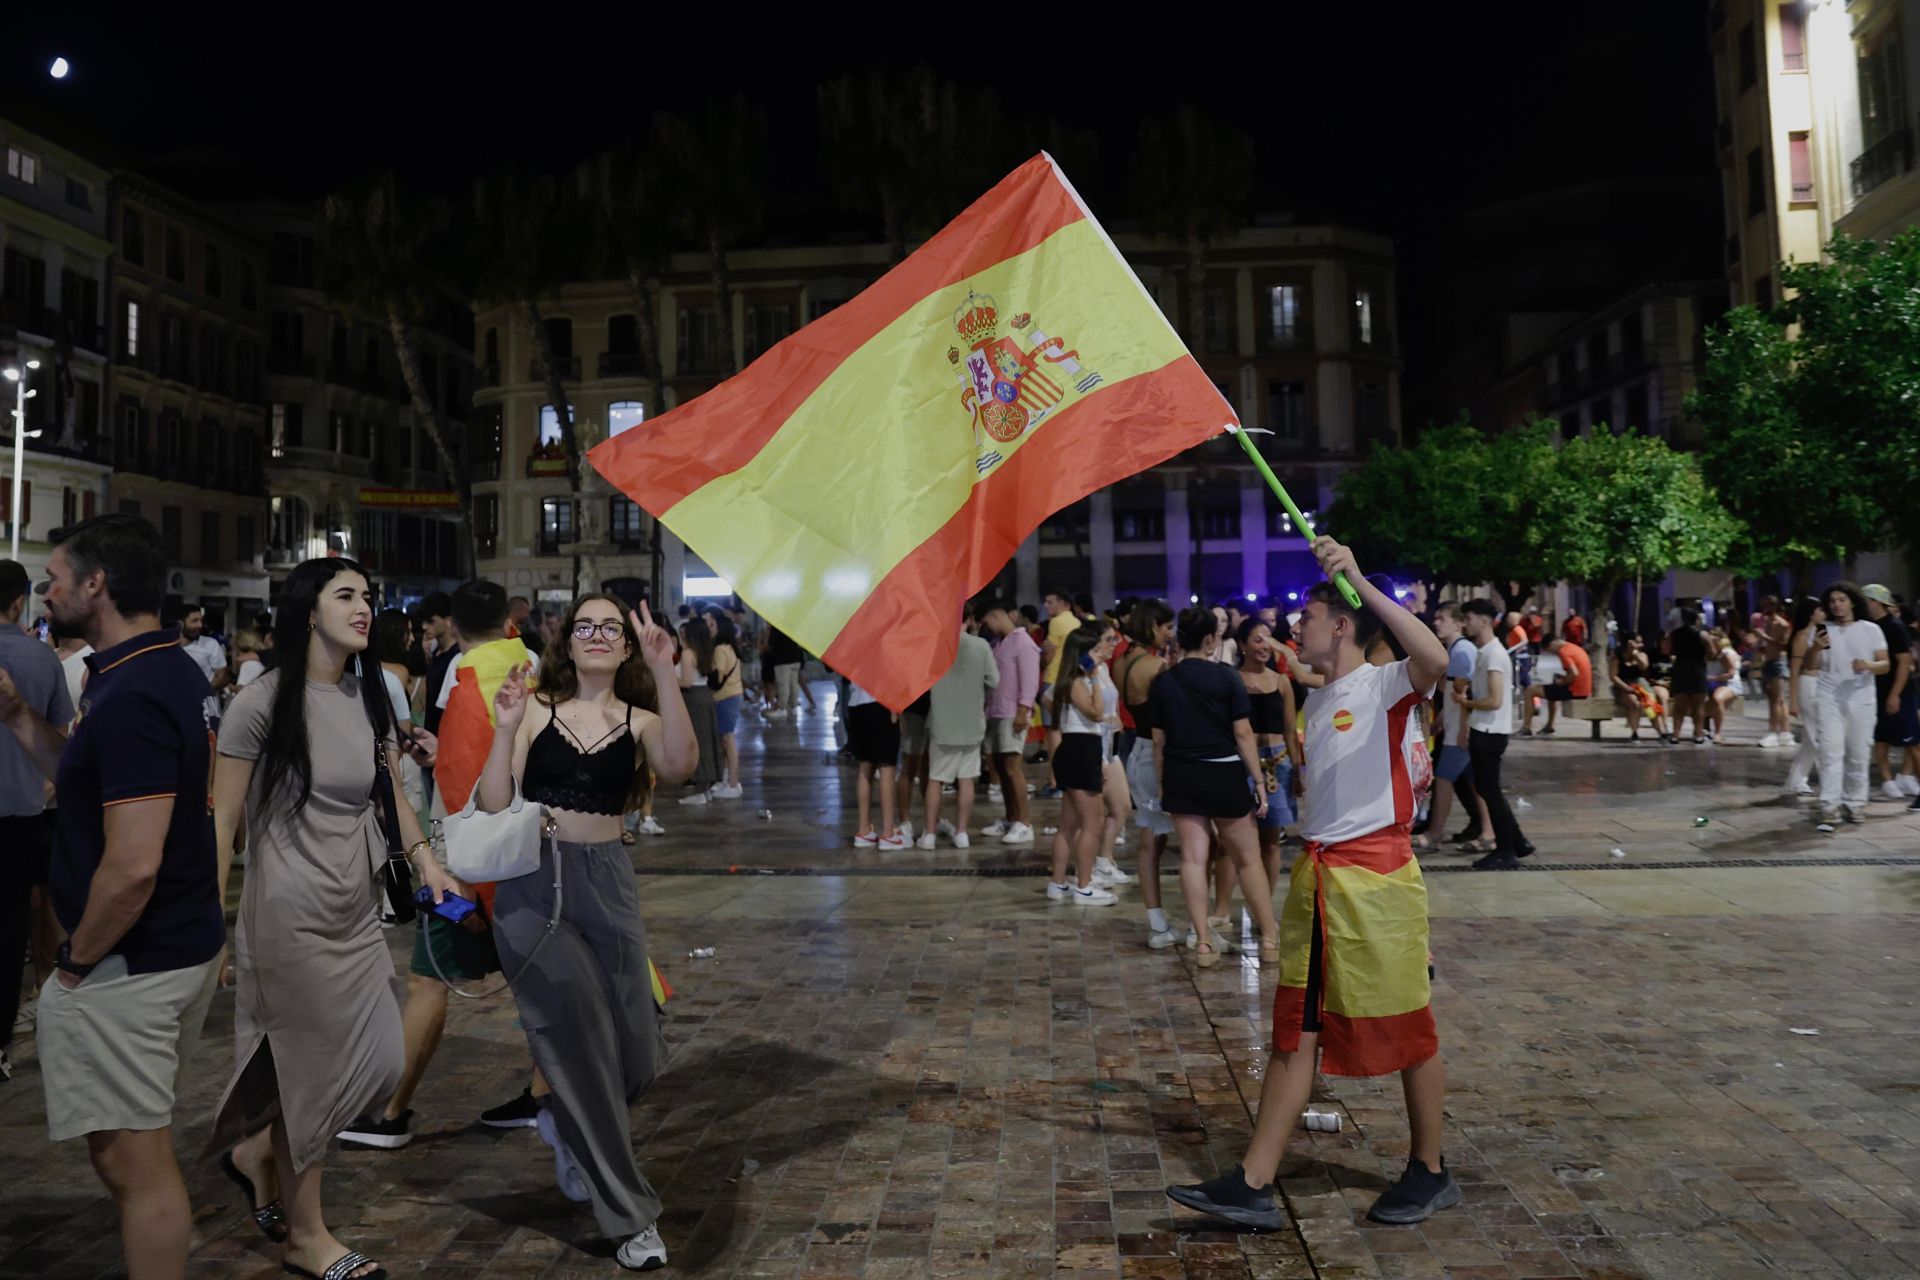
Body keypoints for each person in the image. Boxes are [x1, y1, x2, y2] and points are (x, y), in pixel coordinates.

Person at [1167, 536, 1455, 1231]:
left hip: (1377, 883)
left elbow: (1436, 659)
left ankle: (1430, 1168)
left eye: (1309, 619)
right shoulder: (1322, 699)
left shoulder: (1387, 686)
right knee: (1294, 1032)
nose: (1297, 627)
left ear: (1345, 624)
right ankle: (1253, 1181)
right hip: (1320, 881)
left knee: (1408, 1027)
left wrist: (1356, 574)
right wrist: (1287, 664)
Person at [208, 558, 459, 1280]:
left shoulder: (368, 693)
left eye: (368, 597)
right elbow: (223, 816)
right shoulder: (262, 701)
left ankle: (257, 1152)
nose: (363, 607)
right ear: (307, 610)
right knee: (312, 1075)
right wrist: (209, 918)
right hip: (287, 911)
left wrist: (427, 861)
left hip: (354, 907)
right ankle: (307, 1236)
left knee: (380, 1060)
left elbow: (392, 794)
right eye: (345, 595)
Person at [0, 515, 223, 1280]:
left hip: (131, 960)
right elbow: (92, 782)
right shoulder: (157, 667)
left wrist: (73, 963)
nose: (45, 589)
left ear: (96, 584)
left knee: (136, 1167)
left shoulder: (135, 690)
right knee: (135, 1156)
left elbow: (132, 864)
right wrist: (19, 718)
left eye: (55, 576)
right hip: (171, 945)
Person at [477, 596, 692, 1272]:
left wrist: (666, 672)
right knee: (577, 1046)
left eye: (612, 628)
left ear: (627, 647)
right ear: (567, 643)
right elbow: (490, 800)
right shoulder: (533, 708)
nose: (598, 635)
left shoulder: (641, 719)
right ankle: (631, 1217)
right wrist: (504, 727)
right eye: (585, 626)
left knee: (636, 1052)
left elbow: (683, 766)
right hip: (533, 892)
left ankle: (564, 1119)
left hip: (609, 883)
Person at [341, 580, 540, 1148]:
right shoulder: (534, 665)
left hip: (466, 863)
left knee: (428, 980)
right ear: (509, 616)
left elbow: (459, 784)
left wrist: (442, 870)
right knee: (535, 977)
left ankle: (390, 1115)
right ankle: (544, 1094)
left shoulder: (463, 673)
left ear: (452, 622)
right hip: (525, 857)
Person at [1149, 607, 1279, 966]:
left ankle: (1204, 943)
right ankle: (1269, 939)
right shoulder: (1227, 679)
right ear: (1211, 639)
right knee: (1248, 859)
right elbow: (1242, 733)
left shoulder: (1163, 682)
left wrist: (1162, 785)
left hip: (1181, 773)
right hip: (1224, 773)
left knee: (1193, 858)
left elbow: (1158, 743)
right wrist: (1258, 782)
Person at [0, 560, 72, 1083]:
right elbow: (60, 730)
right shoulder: (41, 659)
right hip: (20, 811)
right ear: (18, 601)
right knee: (9, 929)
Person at [1454, 599, 1533, 869]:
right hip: (1484, 728)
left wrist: (1467, 704)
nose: (1466, 624)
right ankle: (1518, 842)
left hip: (1489, 730)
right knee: (1489, 790)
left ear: (1485, 621)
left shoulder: (1493, 655)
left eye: (1470, 618)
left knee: (1490, 791)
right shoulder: (1484, 652)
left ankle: (1505, 850)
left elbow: (1495, 700)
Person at [1044, 621, 1119, 906]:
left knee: (1068, 824)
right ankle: (1084, 886)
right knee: (1092, 824)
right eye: (1096, 650)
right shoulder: (1077, 680)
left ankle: (1059, 882)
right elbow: (1097, 714)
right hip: (1079, 749)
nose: (1100, 654)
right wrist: (1096, 676)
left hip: (1080, 748)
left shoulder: (1069, 681)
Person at [1116, 600, 1177, 947]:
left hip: (1136, 748)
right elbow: (1163, 723)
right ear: (1153, 625)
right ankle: (1162, 925)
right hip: (1156, 753)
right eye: (1167, 627)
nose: (1170, 634)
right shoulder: (1154, 666)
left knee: (1151, 838)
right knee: (1163, 840)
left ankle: (1156, 920)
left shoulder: (1122, 661)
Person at [1811, 582, 1889, 832]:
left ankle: (1855, 803)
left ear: (1853, 601)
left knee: (1858, 752)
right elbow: (1810, 666)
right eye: (1832, 601)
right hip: (1829, 696)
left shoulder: (1871, 629)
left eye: (1841, 600)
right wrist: (1815, 646)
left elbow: (1885, 665)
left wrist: (1868, 664)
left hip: (1861, 697)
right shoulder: (1824, 631)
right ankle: (1829, 806)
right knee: (1830, 752)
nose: (1837, 605)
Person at [920, 610, 998, 849]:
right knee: (966, 779)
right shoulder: (981, 645)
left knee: (936, 779)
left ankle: (930, 834)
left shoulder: (934, 645)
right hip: (972, 722)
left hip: (942, 721)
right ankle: (962, 832)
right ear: (970, 619)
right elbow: (994, 681)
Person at [1235, 618, 1301, 892]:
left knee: (1272, 840)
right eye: (1257, 639)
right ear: (1242, 645)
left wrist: (1297, 769)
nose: (1265, 646)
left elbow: (1289, 729)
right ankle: (1234, 904)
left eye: (1269, 639)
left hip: (1277, 763)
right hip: (1242, 762)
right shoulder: (1233, 680)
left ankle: (1267, 900)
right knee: (1239, 839)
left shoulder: (1281, 681)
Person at [1419, 604, 1490, 852]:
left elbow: (1463, 692)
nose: (1437, 623)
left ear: (1458, 623)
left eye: (1442, 619)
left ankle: (1435, 833)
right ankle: (1488, 831)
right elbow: (1452, 693)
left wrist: (1462, 728)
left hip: (1458, 731)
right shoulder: (1455, 650)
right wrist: (1442, 719)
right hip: (1454, 726)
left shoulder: (1461, 652)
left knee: (1444, 778)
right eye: (1436, 618)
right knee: (1476, 782)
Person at [979, 600, 1039, 846]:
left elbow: (1030, 678)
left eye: (987, 622)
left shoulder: (1023, 642)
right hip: (996, 711)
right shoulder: (999, 644)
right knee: (1002, 769)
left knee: (1013, 767)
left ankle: (1024, 823)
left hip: (1013, 712)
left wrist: (1023, 710)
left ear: (997, 616)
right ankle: (1010, 817)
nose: (988, 628)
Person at [1862, 585, 1919, 800]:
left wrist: (1895, 694)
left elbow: (1904, 663)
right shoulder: (1866, 627)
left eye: (1866, 599)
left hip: (1901, 692)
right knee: (1881, 738)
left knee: (1913, 742)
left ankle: (1906, 776)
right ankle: (1887, 780)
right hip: (1875, 690)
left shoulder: (1894, 627)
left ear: (1876, 602)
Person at [846, 681, 907, 849]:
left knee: (865, 768)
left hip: (855, 704)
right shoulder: (885, 652)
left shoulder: (850, 651)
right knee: (887, 768)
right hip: (882, 703)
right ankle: (888, 833)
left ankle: (864, 830)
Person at [673, 620, 724, 811]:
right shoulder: (707, 652)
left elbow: (686, 682)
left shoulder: (687, 654)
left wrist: (666, 678)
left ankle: (700, 791)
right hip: (706, 697)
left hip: (693, 698)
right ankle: (707, 787)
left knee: (696, 743)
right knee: (707, 741)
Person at [1036, 588, 1080, 798]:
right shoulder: (1075, 622)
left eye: (1050, 601)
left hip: (1053, 680)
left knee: (1054, 733)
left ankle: (1055, 780)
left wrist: (1044, 657)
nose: (1046, 606)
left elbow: (1049, 654)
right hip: (1071, 680)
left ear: (1064, 603)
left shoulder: (1056, 622)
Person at [699, 607, 745, 800]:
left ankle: (733, 784)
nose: (712, 629)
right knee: (725, 740)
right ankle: (727, 779)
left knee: (728, 740)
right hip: (732, 696)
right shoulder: (730, 648)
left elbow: (717, 678)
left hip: (725, 697)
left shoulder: (719, 649)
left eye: (714, 625)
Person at [1785, 600, 1825, 798]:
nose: (1824, 612)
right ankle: (1829, 781)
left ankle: (1797, 780)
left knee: (1811, 739)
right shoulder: (1801, 637)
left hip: (1822, 685)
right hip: (1808, 685)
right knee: (1817, 735)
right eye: (1820, 609)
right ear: (1811, 613)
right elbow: (1794, 671)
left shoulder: (1822, 634)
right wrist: (1792, 700)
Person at [1610, 633, 1669, 745]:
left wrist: (1635, 653)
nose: (1641, 644)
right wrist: (1627, 688)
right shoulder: (1617, 656)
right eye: (1638, 642)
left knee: (1650, 703)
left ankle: (1662, 732)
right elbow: (1613, 676)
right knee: (1635, 703)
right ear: (1629, 643)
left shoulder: (1641, 654)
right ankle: (1634, 733)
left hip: (1640, 682)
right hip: (1623, 684)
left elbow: (1644, 667)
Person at [1665, 609, 1711, 744]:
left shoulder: (1674, 634)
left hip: (1680, 668)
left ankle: (1675, 734)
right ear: (1696, 619)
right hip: (1697, 668)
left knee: (1679, 705)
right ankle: (1698, 733)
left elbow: (1668, 650)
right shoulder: (1703, 635)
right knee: (1698, 705)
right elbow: (1712, 652)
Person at [1756, 597, 1794, 748]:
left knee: (1775, 700)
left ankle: (1773, 732)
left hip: (1778, 662)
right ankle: (1785, 732)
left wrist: (1764, 637)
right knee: (1778, 700)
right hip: (1769, 661)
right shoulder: (1767, 623)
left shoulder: (1782, 625)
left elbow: (1783, 646)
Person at [1536, 637, 1592, 736]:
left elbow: (1574, 673)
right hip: (1584, 690)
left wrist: (1560, 683)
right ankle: (1549, 726)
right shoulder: (1575, 648)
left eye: (1550, 650)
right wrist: (1562, 678)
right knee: (1551, 693)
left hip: (1575, 691)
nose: (1553, 653)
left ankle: (1526, 727)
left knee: (1531, 690)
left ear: (1553, 643)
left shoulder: (1564, 651)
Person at [765, 625, 804, 720]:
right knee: (794, 683)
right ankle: (793, 706)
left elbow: (770, 645)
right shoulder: (792, 626)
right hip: (795, 659)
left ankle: (782, 709)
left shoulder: (776, 628)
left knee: (783, 684)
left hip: (782, 661)